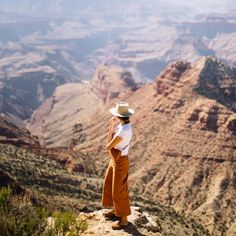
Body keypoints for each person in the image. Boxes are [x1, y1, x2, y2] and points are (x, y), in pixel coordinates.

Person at [102, 101, 134, 230]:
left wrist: (111, 127)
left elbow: (108, 145)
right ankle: (116, 211)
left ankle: (124, 219)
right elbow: (111, 145)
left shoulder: (123, 131)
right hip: (115, 159)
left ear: (119, 116)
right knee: (108, 183)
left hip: (120, 161)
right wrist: (112, 125)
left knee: (119, 190)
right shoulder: (123, 126)